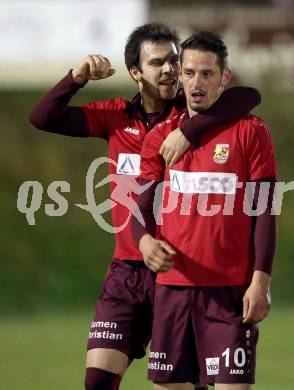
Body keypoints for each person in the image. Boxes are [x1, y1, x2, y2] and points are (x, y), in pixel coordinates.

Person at [29, 23, 261, 390]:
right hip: (127, 271)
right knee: (97, 381)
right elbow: (43, 118)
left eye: (174, 61)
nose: (170, 70)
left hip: (179, 273)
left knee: (191, 383)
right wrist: (76, 77)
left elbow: (246, 96)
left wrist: (189, 131)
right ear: (136, 72)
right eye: (158, 63)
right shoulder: (115, 116)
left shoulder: (190, 114)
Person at [133, 31, 277, 390]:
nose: (197, 83)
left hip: (228, 291)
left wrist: (260, 281)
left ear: (224, 78)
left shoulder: (250, 131)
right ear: (179, 75)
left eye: (208, 74)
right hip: (173, 290)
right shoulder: (161, 135)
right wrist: (146, 243)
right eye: (190, 72)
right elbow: (141, 207)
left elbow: (265, 212)